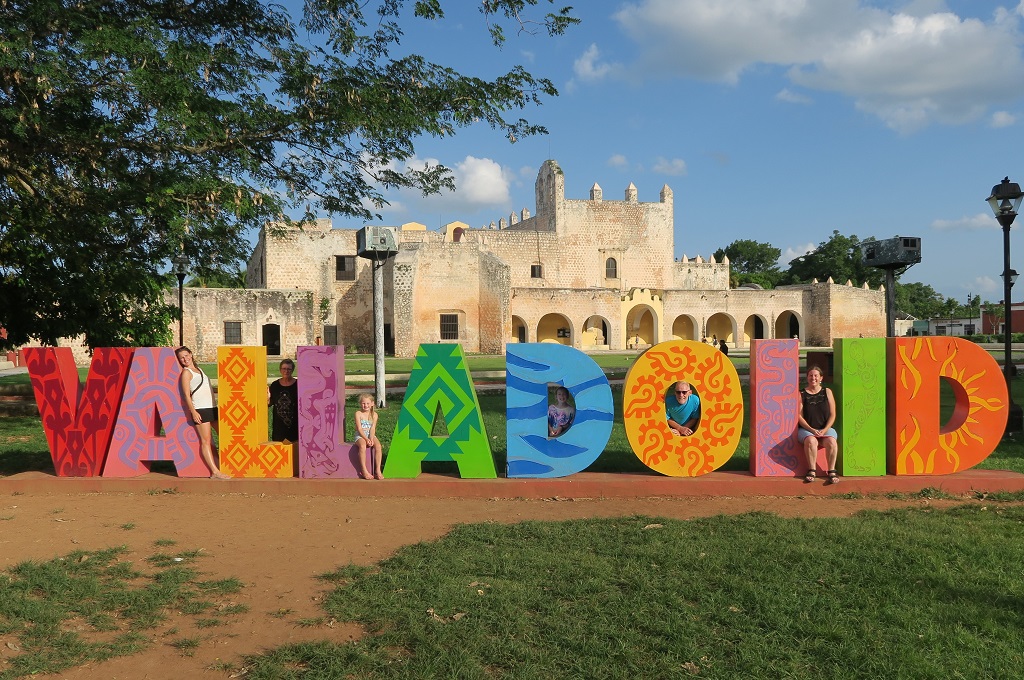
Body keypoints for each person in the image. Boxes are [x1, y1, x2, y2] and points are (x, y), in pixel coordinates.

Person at [176, 346, 230, 479]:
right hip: (200, 409)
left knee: (224, 436)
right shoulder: (186, 373)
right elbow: (187, 395)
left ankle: (226, 464)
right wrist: (193, 412)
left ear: (191, 354)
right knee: (206, 441)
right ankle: (215, 472)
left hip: (212, 408)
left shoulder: (199, 370)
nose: (185, 359)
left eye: (186, 355)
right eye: (182, 358)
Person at [797, 365, 839, 484]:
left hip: (825, 428)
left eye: (816, 375)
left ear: (821, 378)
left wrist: (825, 430)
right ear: (807, 378)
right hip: (806, 429)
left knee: (831, 442)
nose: (813, 378)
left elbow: (832, 414)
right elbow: (799, 416)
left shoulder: (827, 392)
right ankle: (812, 470)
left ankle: (831, 471)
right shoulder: (801, 393)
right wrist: (811, 429)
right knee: (811, 441)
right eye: (811, 375)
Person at [354, 393, 385, 480]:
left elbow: (373, 428)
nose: (365, 405)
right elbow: (359, 428)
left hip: (370, 435)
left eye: (368, 403)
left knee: (378, 446)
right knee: (363, 446)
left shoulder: (374, 415)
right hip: (360, 435)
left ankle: (378, 470)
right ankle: (364, 470)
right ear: (360, 404)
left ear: (372, 403)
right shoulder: (358, 413)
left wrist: (371, 438)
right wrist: (366, 439)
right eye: (363, 403)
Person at [268, 358, 298, 442]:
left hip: (295, 424)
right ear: (280, 370)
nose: (286, 371)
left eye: (289, 369)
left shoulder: (298, 385)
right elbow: (270, 403)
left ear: (292, 370)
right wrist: (267, 399)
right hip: (279, 426)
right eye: (284, 368)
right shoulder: (275, 385)